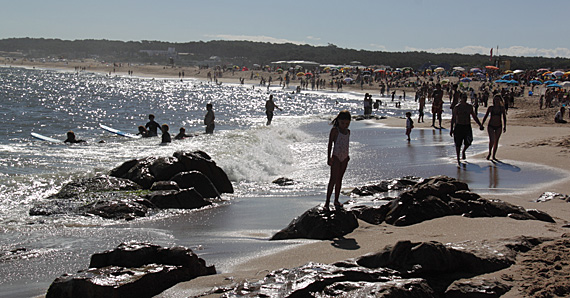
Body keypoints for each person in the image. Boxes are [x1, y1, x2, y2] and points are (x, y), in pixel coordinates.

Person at [325, 110, 351, 211]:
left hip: (344, 158)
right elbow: (330, 144)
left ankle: (336, 200)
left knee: (339, 179)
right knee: (333, 179)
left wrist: (347, 155)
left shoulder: (348, 132)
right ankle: (327, 202)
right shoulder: (335, 130)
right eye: (343, 123)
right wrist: (329, 157)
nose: (344, 125)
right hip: (336, 157)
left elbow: (346, 144)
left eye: (347, 124)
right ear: (338, 121)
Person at [450, 93, 484, 165]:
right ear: (460, 98)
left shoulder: (469, 107)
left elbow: (474, 116)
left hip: (467, 126)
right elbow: (453, 118)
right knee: (458, 143)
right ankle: (458, 158)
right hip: (459, 126)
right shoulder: (457, 107)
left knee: (469, 141)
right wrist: (451, 129)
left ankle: (464, 151)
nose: (465, 98)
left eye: (465, 97)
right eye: (463, 97)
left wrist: (480, 124)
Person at [481, 95, 507, 160]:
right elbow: (486, 116)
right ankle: (489, 152)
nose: (496, 101)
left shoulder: (502, 108)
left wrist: (505, 126)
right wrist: (482, 124)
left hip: (499, 126)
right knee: (492, 140)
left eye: (498, 100)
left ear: (500, 100)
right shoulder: (491, 108)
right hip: (491, 126)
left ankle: (493, 155)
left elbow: (504, 117)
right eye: (495, 100)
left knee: (496, 141)